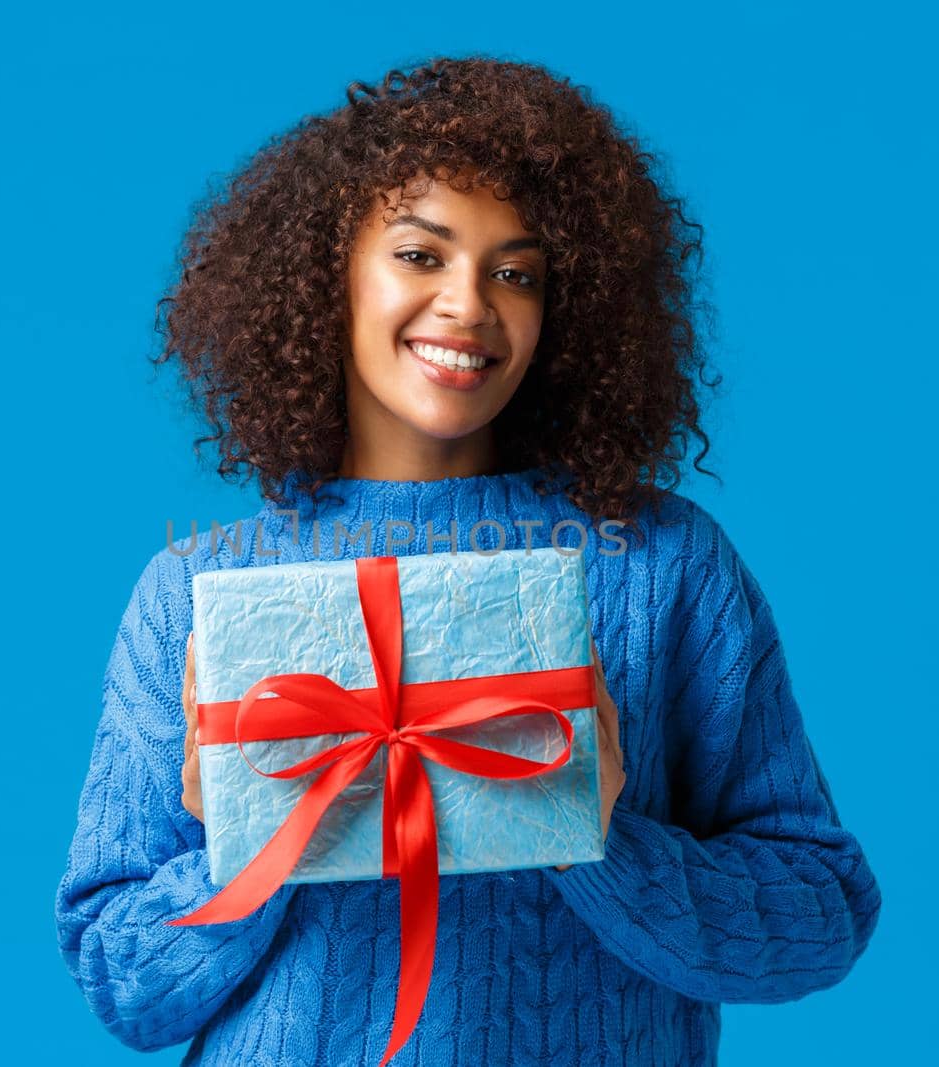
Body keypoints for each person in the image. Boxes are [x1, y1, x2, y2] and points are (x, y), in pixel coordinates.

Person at [55, 56, 881, 1066]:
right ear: (328, 274)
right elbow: (121, 984)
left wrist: (599, 833)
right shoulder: (190, 592)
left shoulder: (666, 565)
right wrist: (246, 846)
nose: (468, 306)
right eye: (419, 253)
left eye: (514, 272)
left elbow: (818, 919)